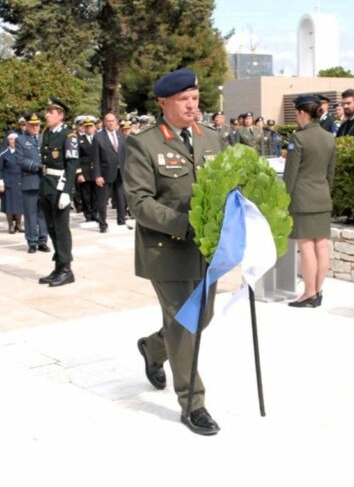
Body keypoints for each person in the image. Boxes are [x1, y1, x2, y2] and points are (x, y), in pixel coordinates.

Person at [124, 68, 221, 436]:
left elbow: (225, 186)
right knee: (184, 323)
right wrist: (185, 223)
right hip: (166, 249)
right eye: (183, 100)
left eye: (195, 98)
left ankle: (152, 348)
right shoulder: (144, 143)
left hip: (206, 249)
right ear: (163, 102)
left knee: (202, 317)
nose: (192, 106)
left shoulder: (211, 138)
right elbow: (139, 202)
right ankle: (192, 403)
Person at [283, 95, 336, 308]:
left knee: (306, 246)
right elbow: (330, 173)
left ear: (303, 113)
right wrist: (323, 192)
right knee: (321, 245)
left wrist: (284, 199)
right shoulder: (329, 137)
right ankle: (318, 290)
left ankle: (308, 293)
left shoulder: (299, 138)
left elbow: (290, 175)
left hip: (302, 199)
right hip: (322, 196)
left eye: (297, 113)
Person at [37, 97, 79, 287]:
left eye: (50, 112)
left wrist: (67, 191)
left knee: (61, 229)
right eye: (46, 111)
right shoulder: (47, 133)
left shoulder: (68, 135)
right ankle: (58, 265)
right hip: (46, 184)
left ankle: (66, 269)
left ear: (60, 115)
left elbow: (71, 164)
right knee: (52, 228)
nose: (46, 115)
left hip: (59, 186)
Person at [15, 114, 50, 254]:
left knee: (43, 213)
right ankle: (32, 241)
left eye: (37, 125)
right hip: (30, 180)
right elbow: (20, 159)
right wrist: (37, 166)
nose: (35, 127)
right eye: (32, 125)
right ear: (27, 125)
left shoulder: (44, 138)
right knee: (30, 214)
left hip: (44, 181)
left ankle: (43, 240)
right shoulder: (21, 140)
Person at [92, 112, 127, 233]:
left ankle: (122, 221)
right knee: (103, 200)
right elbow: (95, 158)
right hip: (105, 173)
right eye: (108, 121)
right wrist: (97, 175)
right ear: (104, 122)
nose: (111, 123)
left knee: (121, 198)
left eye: (113, 120)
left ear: (116, 122)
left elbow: (124, 155)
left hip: (120, 172)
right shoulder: (98, 137)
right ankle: (102, 224)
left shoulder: (120, 135)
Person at [0, 132, 24, 234]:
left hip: (20, 181)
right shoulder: (3, 154)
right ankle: (10, 225)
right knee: (9, 205)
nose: (14, 141)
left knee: (20, 205)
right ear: (8, 140)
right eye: (11, 139)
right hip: (8, 183)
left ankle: (19, 224)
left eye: (15, 139)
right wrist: (0, 183)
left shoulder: (22, 152)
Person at [75, 117, 97, 222]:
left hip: (96, 171)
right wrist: (79, 173)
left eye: (91, 126)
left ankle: (95, 214)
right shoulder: (79, 140)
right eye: (86, 126)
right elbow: (76, 158)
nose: (89, 128)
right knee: (86, 195)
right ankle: (88, 215)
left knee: (96, 194)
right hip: (85, 171)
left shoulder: (98, 138)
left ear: (94, 127)